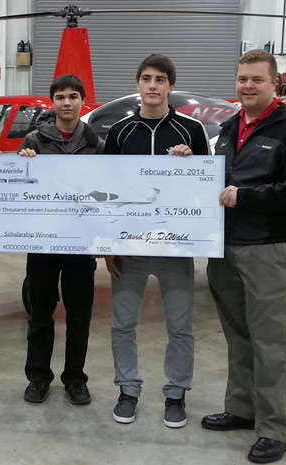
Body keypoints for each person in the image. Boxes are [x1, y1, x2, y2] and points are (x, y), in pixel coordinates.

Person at [202, 50, 286, 463]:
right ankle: (241, 408)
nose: (248, 86)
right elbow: (216, 181)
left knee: (270, 342)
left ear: (275, 83)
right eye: (242, 79)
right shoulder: (228, 129)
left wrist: (247, 197)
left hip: (269, 249)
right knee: (239, 336)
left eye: (257, 79)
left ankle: (273, 428)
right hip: (226, 248)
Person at [103, 54, 210, 428]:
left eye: (160, 79)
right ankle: (128, 390)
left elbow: (204, 188)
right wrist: (108, 247)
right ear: (138, 84)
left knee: (180, 327)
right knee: (122, 325)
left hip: (176, 247)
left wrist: (191, 161)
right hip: (130, 249)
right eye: (146, 78)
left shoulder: (190, 131)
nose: (152, 85)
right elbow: (107, 191)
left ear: (170, 87)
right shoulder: (119, 133)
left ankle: (176, 394)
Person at [18, 74, 104, 405]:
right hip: (43, 242)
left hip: (81, 243)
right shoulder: (35, 140)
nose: (66, 103)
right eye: (60, 97)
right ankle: (38, 376)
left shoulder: (97, 143)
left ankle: (75, 378)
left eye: (72, 97)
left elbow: (108, 190)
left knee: (79, 314)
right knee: (40, 313)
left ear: (82, 102)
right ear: (52, 103)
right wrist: (22, 166)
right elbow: (22, 188)